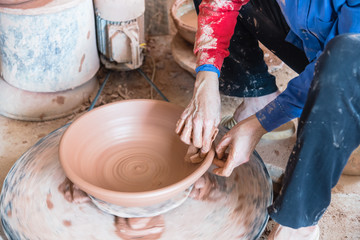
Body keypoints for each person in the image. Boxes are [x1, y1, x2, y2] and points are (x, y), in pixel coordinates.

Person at [175, 0, 360, 239]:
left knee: (342, 60)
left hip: (351, 64)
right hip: (318, 42)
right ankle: (258, 98)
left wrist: (260, 124)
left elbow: (349, 61)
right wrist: (206, 79)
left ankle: (299, 223)